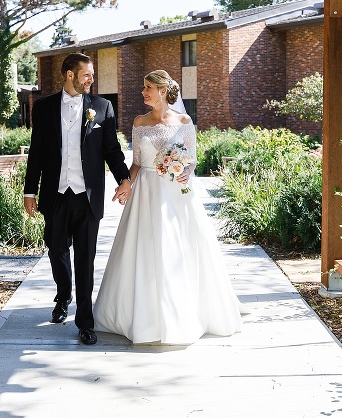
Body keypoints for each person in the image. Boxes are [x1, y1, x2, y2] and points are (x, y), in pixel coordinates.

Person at [93, 69, 244, 344]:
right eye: (143, 87)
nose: (143, 92)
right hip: (146, 194)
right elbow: (137, 161)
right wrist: (127, 183)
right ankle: (141, 317)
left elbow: (192, 159)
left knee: (176, 249)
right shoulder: (139, 122)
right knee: (143, 248)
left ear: (162, 91)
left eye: (147, 87)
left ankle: (179, 316)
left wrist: (186, 170)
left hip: (175, 194)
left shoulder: (184, 120)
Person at [24, 53, 131, 345]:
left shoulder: (102, 107)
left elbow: (112, 151)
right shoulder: (44, 107)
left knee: (85, 259)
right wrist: (29, 191)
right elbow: (37, 152)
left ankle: (85, 322)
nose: (91, 80)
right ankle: (63, 295)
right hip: (55, 195)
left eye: (92, 75)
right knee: (56, 250)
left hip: (87, 197)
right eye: (87, 75)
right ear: (70, 74)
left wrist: (124, 178)